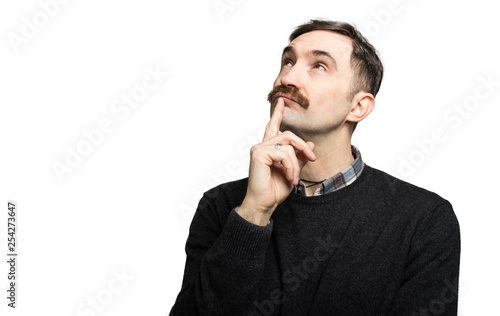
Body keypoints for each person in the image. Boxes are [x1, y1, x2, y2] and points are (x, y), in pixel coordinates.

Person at [170, 19, 460, 315]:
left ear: (358, 107)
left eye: (319, 66)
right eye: (287, 61)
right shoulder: (223, 206)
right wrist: (253, 215)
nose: (288, 77)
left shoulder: (424, 219)